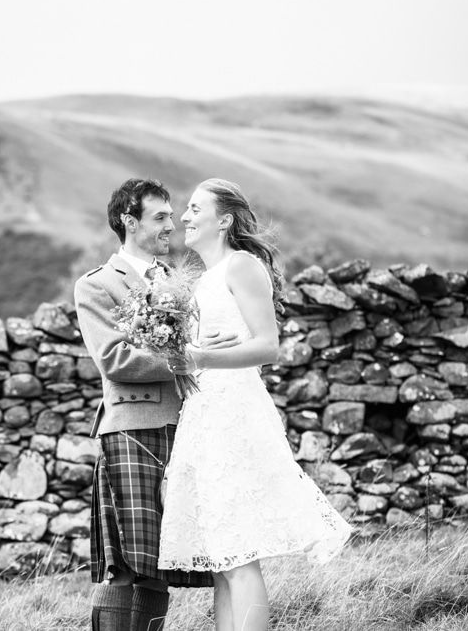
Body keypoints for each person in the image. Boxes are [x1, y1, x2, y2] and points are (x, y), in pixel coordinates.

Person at [161, 178, 353, 631]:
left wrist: (200, 358)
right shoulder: (205, 278)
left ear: (224, 220)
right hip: (205, 413)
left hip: (234, 414)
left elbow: (269, 346)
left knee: (239, 552)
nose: (184, 217)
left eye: (195, 209)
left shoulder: (242, 265)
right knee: (223, 559)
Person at [74, 178, 238, 631]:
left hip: (187, 427)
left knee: (159, 565)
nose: (172, 224)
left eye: (172, 215)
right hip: (133, 426)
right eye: (160, 216)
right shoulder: (97, 285)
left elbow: (204, 342)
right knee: (126, 565)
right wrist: (191, 358)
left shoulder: (183, 281)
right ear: (129, 221)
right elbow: (114, 358)